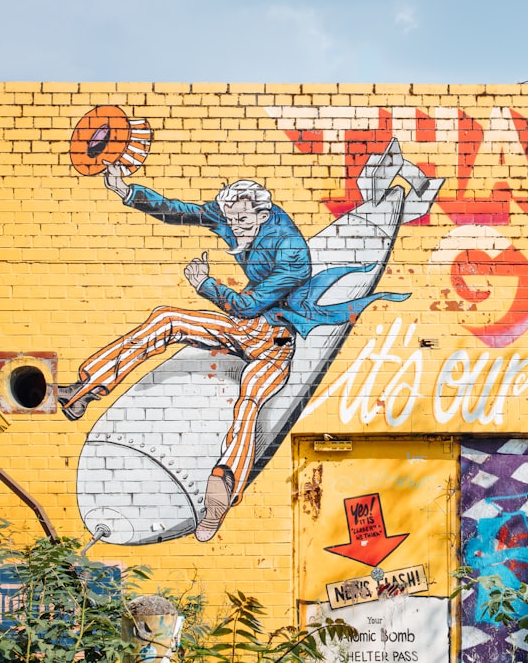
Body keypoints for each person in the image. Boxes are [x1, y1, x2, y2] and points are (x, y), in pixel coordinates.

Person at [58, 163, 407, 542]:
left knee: (249, 401)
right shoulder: (231, 211)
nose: (233, 227)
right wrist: (126, 191)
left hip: (273, 344)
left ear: (262, 214)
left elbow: (247, 303)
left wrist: (204, 284)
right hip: (244, 329)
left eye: (242, 221)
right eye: (229, 219)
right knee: (166, 319)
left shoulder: (292, 253)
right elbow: (180, 210)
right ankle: (86, 388)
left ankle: (221, 491)